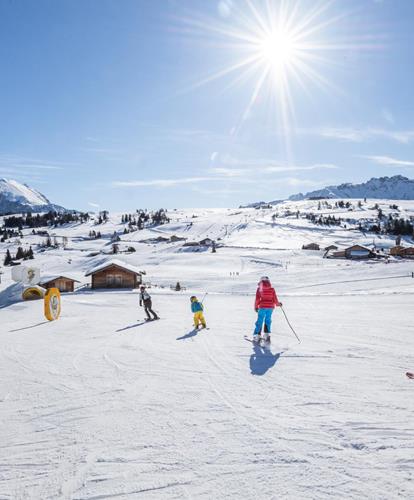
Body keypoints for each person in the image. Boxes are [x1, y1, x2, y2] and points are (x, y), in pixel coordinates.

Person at [253, 276, 282, 343]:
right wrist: (278, 304)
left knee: (260, 320)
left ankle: (257, 335)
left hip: (262, 307)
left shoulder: (259, 289)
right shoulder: (272, 289)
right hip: (270, 308)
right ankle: (266, 335)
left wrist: (256, 307)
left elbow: (257, 299)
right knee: (268, 320)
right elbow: (275, 299)